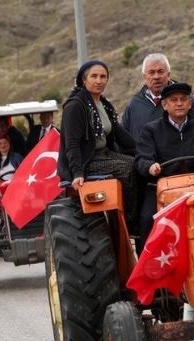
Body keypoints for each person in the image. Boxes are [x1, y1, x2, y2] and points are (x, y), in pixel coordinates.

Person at [134, 82, 194, 252]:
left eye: (183, 99)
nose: (179, 103)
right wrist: (151, 167)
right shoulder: (151, 130)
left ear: (190, 104)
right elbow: (142, 159)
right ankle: (149, 261)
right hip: (161, 187)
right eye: (174, 100)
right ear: (164, 105)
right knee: (147, 218)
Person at [58, 60, 139, 228]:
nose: (99, 81)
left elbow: (119, 133)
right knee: (129, 169)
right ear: (84, 80)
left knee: (140, 164)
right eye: (94, 76)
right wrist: (77, 172)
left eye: (103, 77)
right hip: (86, 160)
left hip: (104, 154)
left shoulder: (103, 103)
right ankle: (131, 223)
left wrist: (144, 152)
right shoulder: (75, 106)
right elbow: (72, 144)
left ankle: (142, 214)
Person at [122, 53, 194, 142]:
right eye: (151, 72)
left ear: (168, 75)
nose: (156, 77)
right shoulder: (134, 105)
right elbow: (124, 140)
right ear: (144, 77)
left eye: (160, 72)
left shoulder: (185, 100)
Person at [0, 134, 23, 230]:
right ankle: (0, 225)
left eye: (5, 143)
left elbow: (23, 171)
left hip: (17, 186)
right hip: (2, 189)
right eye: (0, 143)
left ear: (9, 144)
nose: (3, 145)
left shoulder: (17, 157)